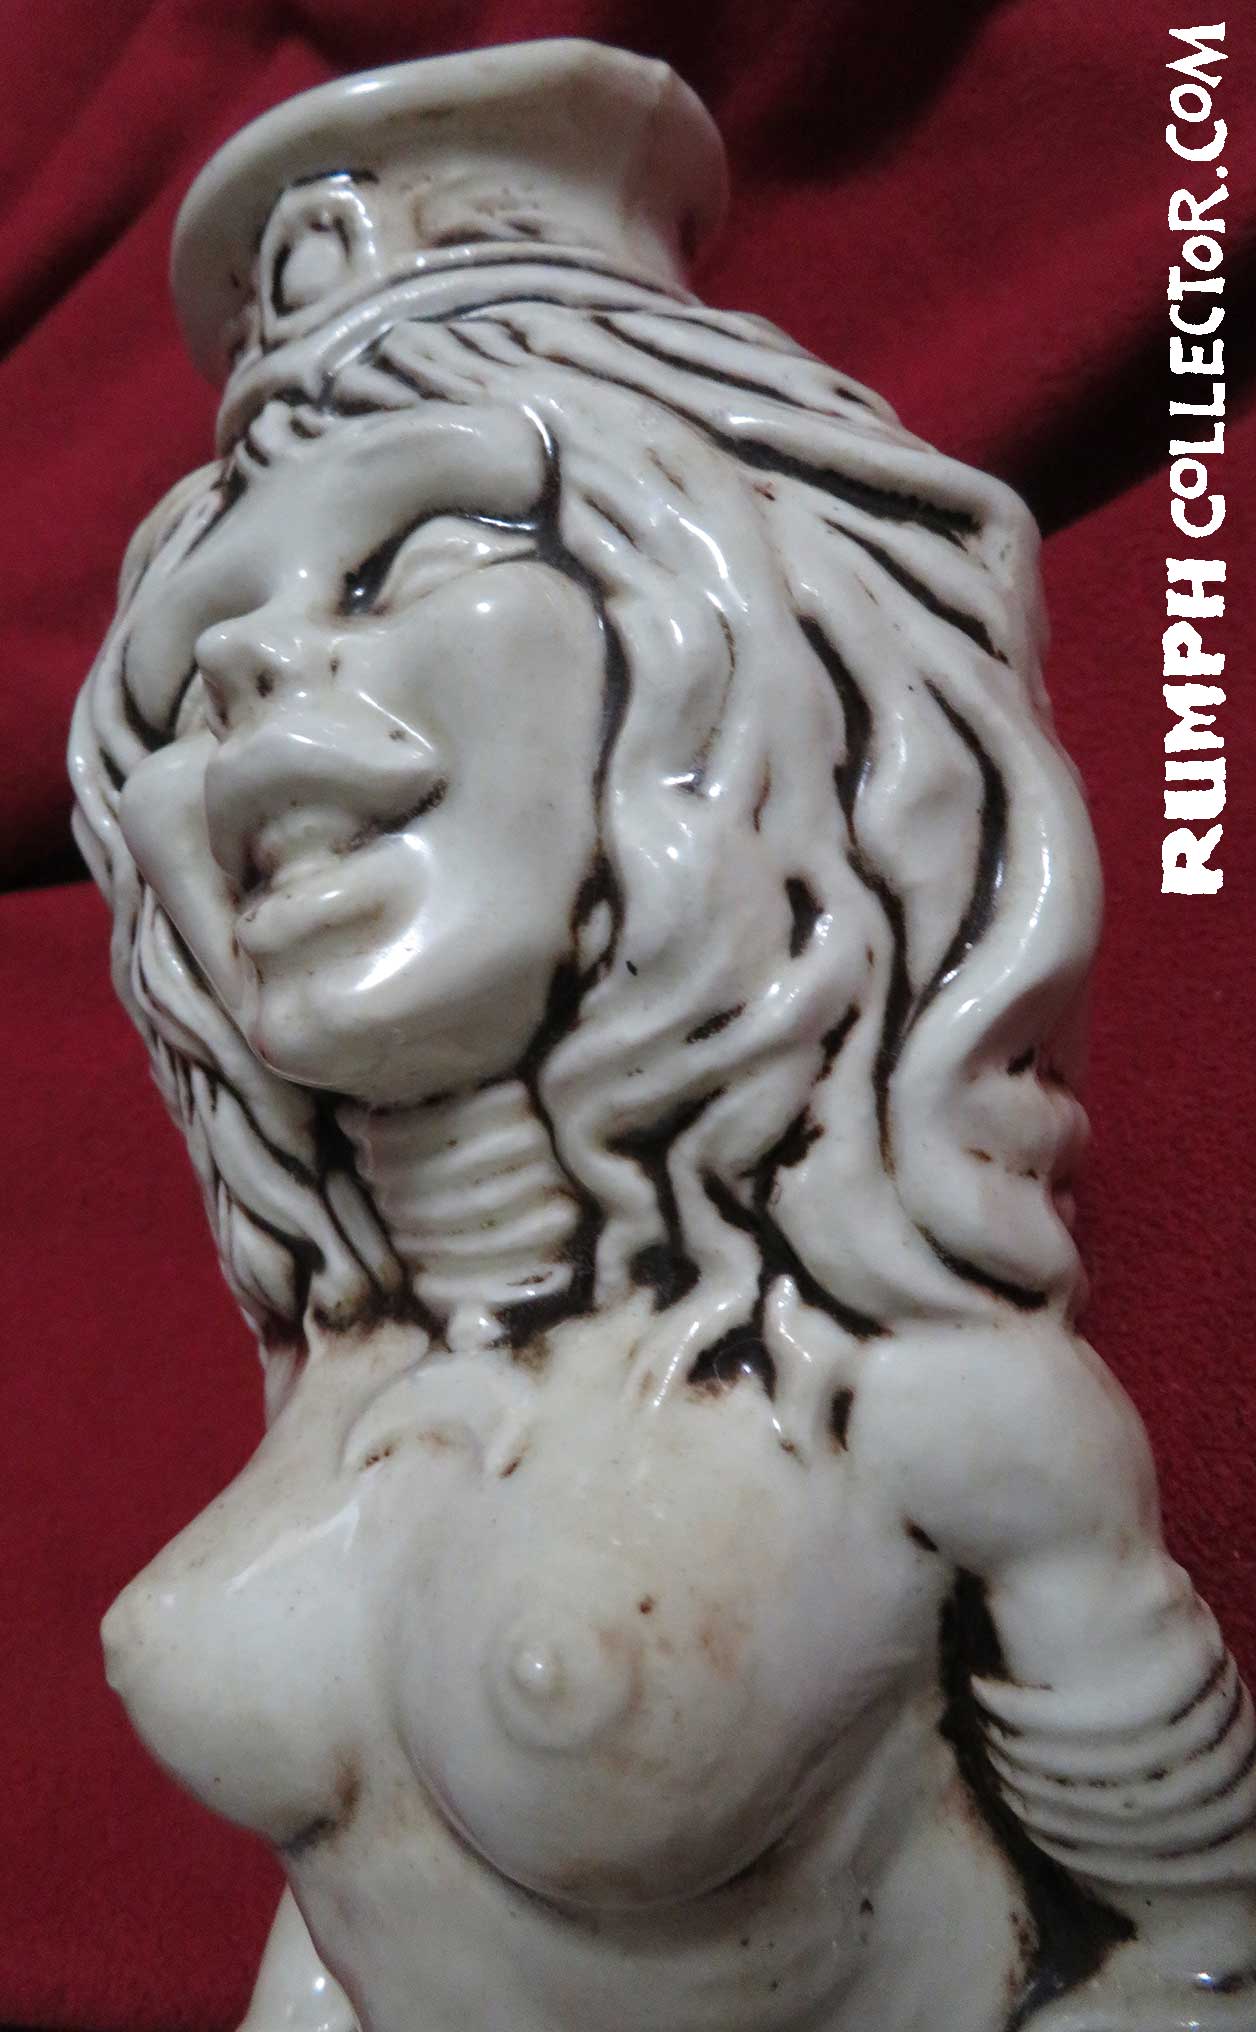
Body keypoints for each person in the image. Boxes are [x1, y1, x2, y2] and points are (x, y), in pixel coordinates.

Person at [73, 152, 1255, 2032]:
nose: (246, 660)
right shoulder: (332, 1372)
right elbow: (357, 1914)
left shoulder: (927, 1402)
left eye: (409, 556)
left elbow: (1203, 1956)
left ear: (747, 662)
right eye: (187, 681)